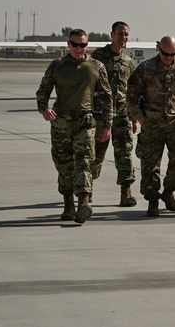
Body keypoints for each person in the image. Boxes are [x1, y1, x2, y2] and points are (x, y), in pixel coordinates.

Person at [35, 28, 112, 224]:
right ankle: (68, 203)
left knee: (84, 162)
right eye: (75, 44)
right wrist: (44, 109)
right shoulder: (57, 66)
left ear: (87, 45)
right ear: (68, 44)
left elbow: (106, 97)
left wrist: (107, 125)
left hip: (85, 121)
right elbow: (43, 91)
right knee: (64, 165)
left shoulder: (96, 66)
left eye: (83, 45)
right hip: (61, 122)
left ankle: (83, 202)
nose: (79, 48)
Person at [127, 36, 175, 218]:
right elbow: (131, 95)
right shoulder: (145, 69)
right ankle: (153, 200)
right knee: (150, 165)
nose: (169, 58)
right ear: (158, 49)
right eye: (166, 54)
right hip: (152, 123)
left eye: (173, 54)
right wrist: (140, 117)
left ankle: (168, 191)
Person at [89, 21, 139, 207]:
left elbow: (132, 92)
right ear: (112, 35)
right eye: (120, 34)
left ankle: (126, 192)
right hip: (101, 115)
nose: (123, 38)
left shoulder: (127, 61)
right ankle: (88, 188)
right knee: (96, 154)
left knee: (125, 154)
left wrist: (133, 118)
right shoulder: (98, 57)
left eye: (126, 34)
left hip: (123, 115)